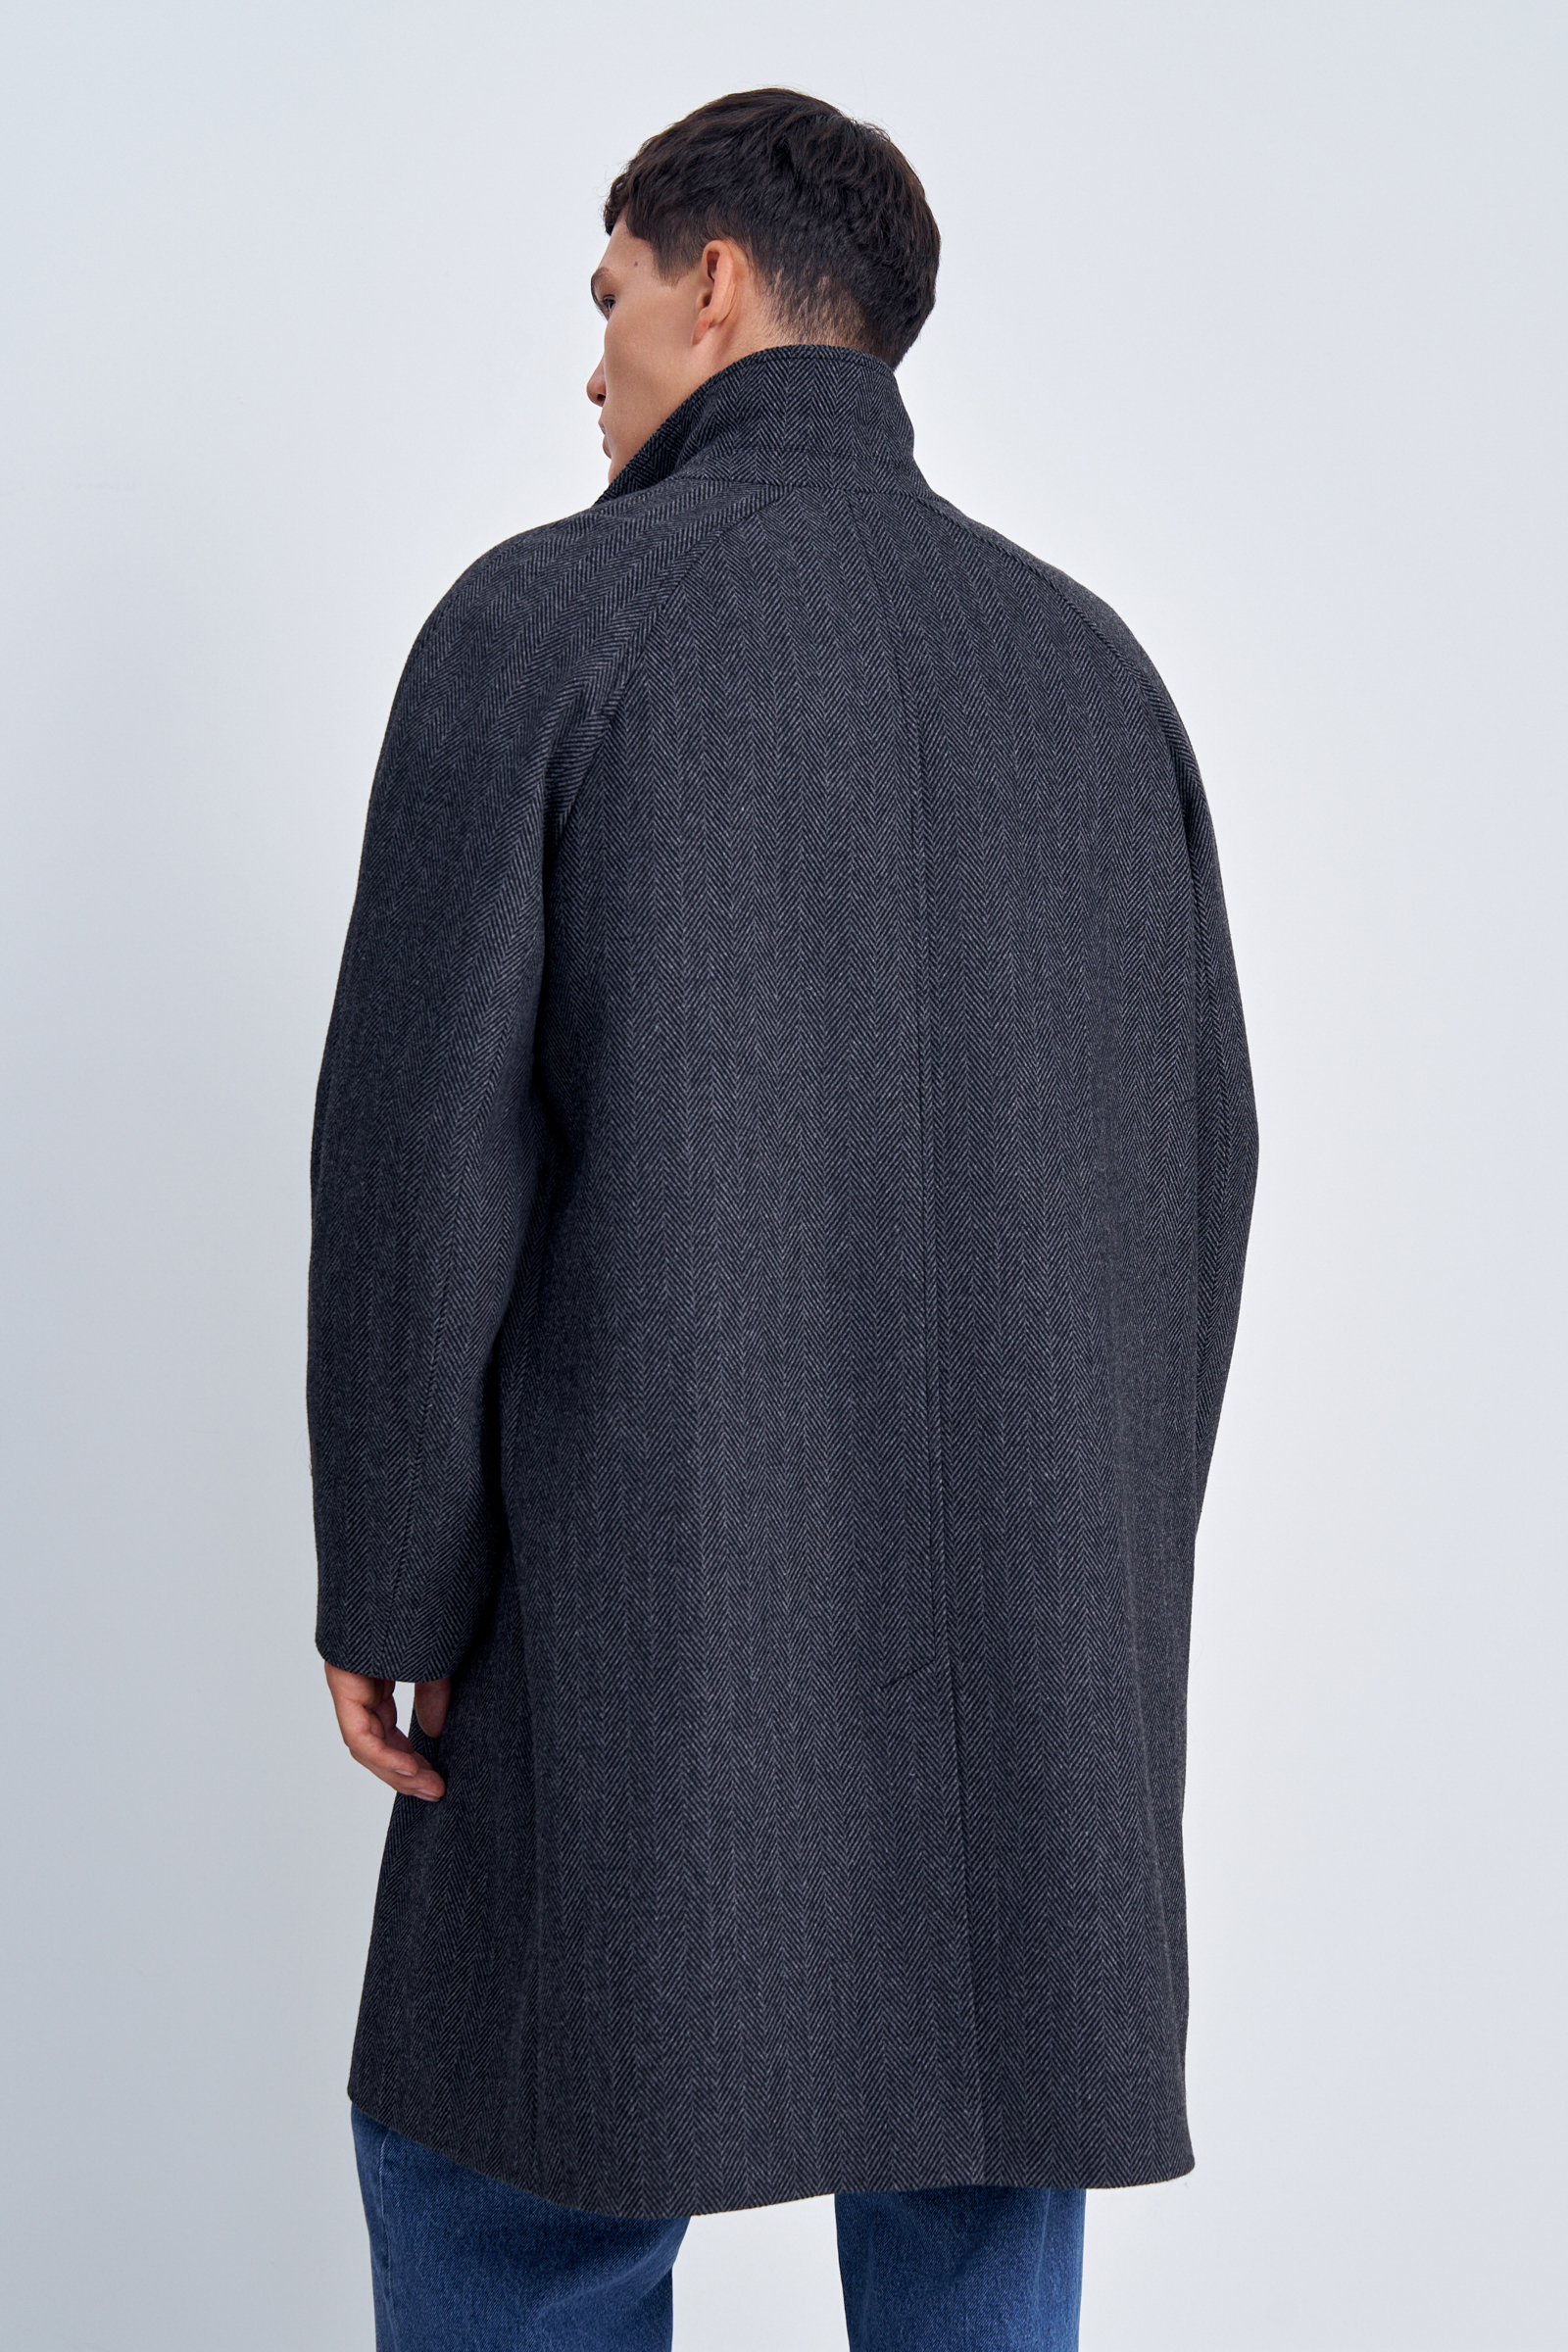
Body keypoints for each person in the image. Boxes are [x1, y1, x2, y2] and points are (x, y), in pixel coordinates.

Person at [309, 86, 1258, 2352]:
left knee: (508, 2171)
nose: (593, 365)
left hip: (639, 1617)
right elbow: (1202, 1167)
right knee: (976, 2179)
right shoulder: (1089, 666)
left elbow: (420, 1156)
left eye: (610, 297)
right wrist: (1094, 1559)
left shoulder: (546, 622)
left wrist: (395, 1581)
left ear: (713, 282)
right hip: (1033, 1649)